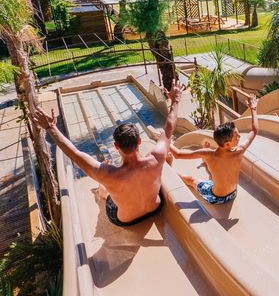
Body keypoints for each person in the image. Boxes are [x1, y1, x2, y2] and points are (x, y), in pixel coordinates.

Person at [33, 79, 186, 227]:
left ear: (116, 146)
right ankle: (104, 188)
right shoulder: (156, 158)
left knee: (106, 193)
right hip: (155, 209)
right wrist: (175, 100)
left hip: (125, 220)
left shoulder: (107, 173)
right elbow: (169, 127)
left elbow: (74, 153)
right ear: (139, 141)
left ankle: (101, 189)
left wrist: (51, 128)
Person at [169, 94, 258, 205]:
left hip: (215, 198)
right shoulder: (239, 151)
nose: (239, 137)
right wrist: (253, 109)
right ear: (227, 144)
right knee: (211, 170)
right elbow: (254, 130)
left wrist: (166, 139)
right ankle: (205, 162)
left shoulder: (208, 153)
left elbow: (177, 154)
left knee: (191, 180)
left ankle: (170, 171)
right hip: (233, 194)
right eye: (237, 136)